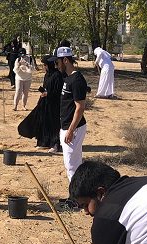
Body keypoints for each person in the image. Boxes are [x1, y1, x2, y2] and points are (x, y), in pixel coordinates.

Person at [55, 46, 88, 183]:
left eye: (58, 62)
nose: (57, 66)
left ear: (66, 61)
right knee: (73, 164)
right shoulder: (68, 78)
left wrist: (70, 130)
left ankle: (76, 199)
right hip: (67, 126)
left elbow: (80, 107)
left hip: (73, 128)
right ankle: (77, 197)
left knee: (71, 166)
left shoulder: (77, 80)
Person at [37, 56, 63, 150]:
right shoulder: (47, 75)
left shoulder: (57, 75)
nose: (44, 67)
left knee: (54, 123)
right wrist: (43, 92)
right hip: (46, 102)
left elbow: (58, 91)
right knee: (45, 122)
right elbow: (46, 87)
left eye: (45, 65)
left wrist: (48, 93)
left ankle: (55, 144)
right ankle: (45, 142)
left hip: (54, 103)